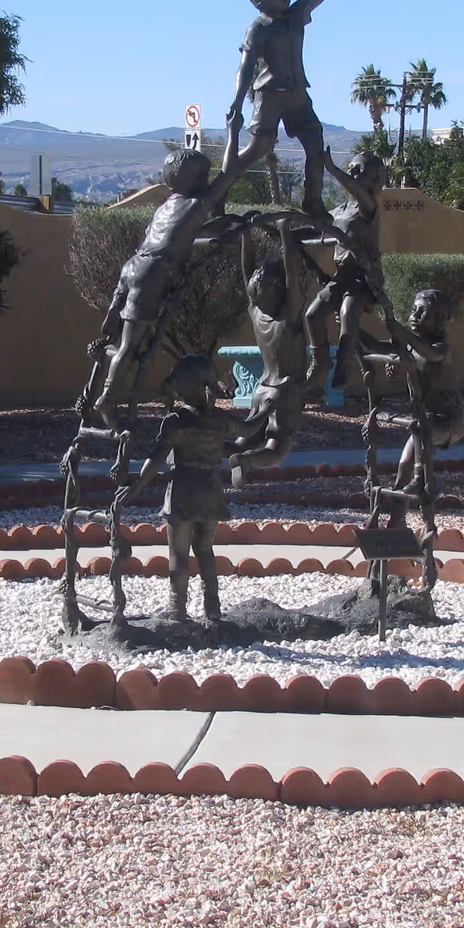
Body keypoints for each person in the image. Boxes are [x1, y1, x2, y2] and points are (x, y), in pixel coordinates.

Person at [82, 148, 239, 426]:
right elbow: (229, 173)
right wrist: (235, 131)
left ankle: (105, 352)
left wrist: (226, 225)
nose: (208, 179)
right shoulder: (198, 201)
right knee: (129, 348)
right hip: (151, 273)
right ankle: (107, 396)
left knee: (120, 344)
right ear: (193, 178)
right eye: (204, 175)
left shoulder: (166, 205)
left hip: (132, 265)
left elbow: (182, 233)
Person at [222, 0, 368, 219]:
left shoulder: (297, 14)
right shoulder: (258, 28)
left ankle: (313, 202)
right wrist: (237, 103)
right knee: (258, 148)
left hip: (298, 93)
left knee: (315, 144)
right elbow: (245, 68)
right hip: (270, 96)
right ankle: (218, 191)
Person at [117, 354, 250, 624]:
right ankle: (213, 608)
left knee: (179, 553)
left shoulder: (175, 421)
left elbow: (155, 460)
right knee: (205, 549)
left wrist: (136, 486)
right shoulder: (220, 420)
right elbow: (249, 430)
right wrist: (271, 409)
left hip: (182, 494)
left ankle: (178, 608)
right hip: (211, 493)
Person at [227, 221, 313, 485]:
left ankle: (199, 451)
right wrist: (286, 234)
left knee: (244, 439)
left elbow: (247, 270)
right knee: (277, 449)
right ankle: (247, 462)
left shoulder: (256, 313)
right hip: (284, 390)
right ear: (280, 290)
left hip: (261, 388)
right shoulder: (288, 316)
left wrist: (245, 236)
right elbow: (291, 271)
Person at [358, 288, 464, 492]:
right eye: (413, 310)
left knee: (419, 436)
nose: (415, 316)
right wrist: (352, 327)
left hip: (450, 421)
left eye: (422, 312)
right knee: (410, 450)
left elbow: (429, 355)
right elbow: (373, 346)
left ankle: (415, 482)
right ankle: (399, 510)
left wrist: (402, 334)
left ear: (438, 320)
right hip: (426, 418)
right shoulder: (408, 346)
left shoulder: (441, 348)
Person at [305, 149, 388, 393]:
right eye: (350, 167)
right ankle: (320, 362)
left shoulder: (368, 206)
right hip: (343, 276)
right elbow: (315, 228)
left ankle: (343, 363)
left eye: (358, 169)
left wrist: (332, 169)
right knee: (313, 315)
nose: (352, 172)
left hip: (364, 277)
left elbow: (355, 189)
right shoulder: (339, 210)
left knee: (348, 309)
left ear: (372, 176)